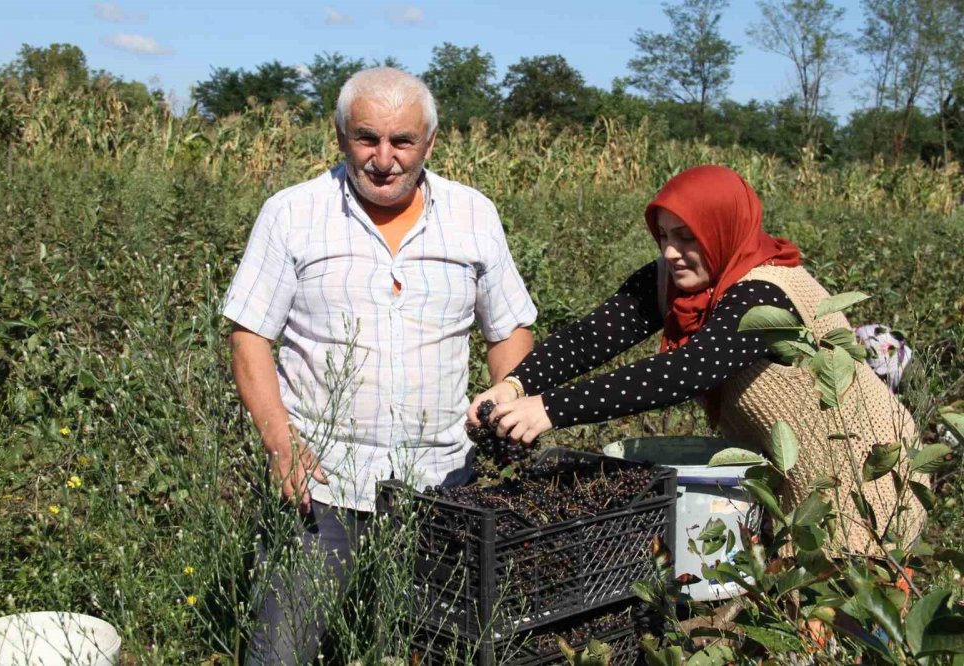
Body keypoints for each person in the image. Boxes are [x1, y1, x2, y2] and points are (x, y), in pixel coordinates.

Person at [223, 67, 536, 664]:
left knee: (429, 648)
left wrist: (508, 410)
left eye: (402, 142)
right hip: (319, 484)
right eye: (367, 139)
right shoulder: (293, 214)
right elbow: (248, 337)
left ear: (430, 143)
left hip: (443, 484)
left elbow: (509, 329)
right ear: (341, 137)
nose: (384, 158)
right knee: (280, 650)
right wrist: (280, 442)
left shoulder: (473, 215)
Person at [469, 164, 926, 557]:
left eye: (688, 237)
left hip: (863, 469)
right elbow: (592, 336)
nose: (670, 251)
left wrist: (550, 409)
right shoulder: (680, 279)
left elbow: (683, 371)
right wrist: (515, 385)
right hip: (793, 470)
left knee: (840, 611)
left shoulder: (765, 294)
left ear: (723, 230)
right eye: (664, 235)